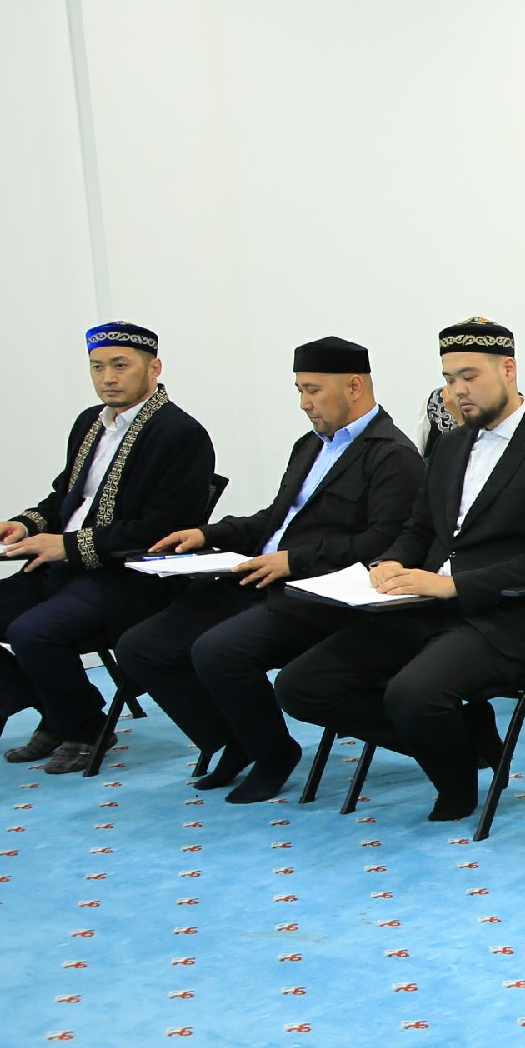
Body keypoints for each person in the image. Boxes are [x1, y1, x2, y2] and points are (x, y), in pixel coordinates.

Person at [275, 321, 525, 821]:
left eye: (469, 376)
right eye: (449, 379)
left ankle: (455, 784)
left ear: (508, 370)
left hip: (508, 615)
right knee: (301, 684)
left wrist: (452, 586)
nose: (458, 390)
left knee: (412, 694)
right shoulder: (451, 445)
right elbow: (420, 527)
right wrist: (391, 562)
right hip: (425, 604)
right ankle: (463, 742)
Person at [117, 337, 423, 803]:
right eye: (299, 390)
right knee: (141, 648)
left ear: (354, 386)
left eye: (313, 390)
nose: (304, 403)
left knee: (218, 652)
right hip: (260, 578)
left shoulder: (391, 455)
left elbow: (383, 543)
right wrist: (208, 534)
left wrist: (294, 561)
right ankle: (235, 740)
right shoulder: (310, 446)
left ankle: (274, 753)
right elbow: (277, 519)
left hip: (313, 595)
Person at [0, 323, 214, 773]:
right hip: (60, 567)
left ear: (154, 368)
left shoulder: (180, 433)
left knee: (32, 632)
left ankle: (85, 725)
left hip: (127, 578)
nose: (108, 377)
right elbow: (64, 498)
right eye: (97, 367)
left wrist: (68, 546)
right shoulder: (90, 423)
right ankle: (58, 714)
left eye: (121, 366)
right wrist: (21, 525)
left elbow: (164, 530)